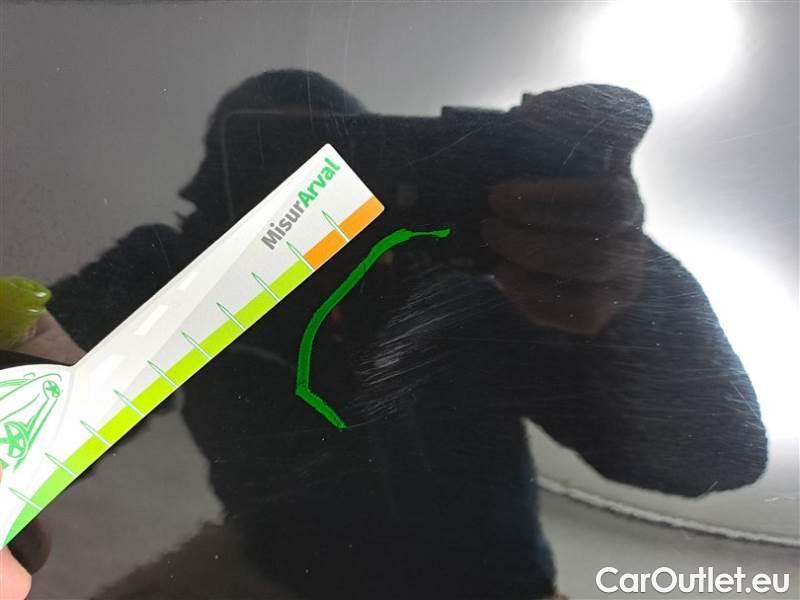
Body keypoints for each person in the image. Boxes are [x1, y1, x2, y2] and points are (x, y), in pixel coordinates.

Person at [4, 71, 767, 599]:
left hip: (471, 587)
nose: (299, 199)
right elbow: (54, 376)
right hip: (276, 570)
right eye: (266, 160)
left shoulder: (472, 282)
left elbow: (714, 454)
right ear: (216, 191)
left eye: (333, 163)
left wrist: (624, 285)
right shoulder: (182, 276)